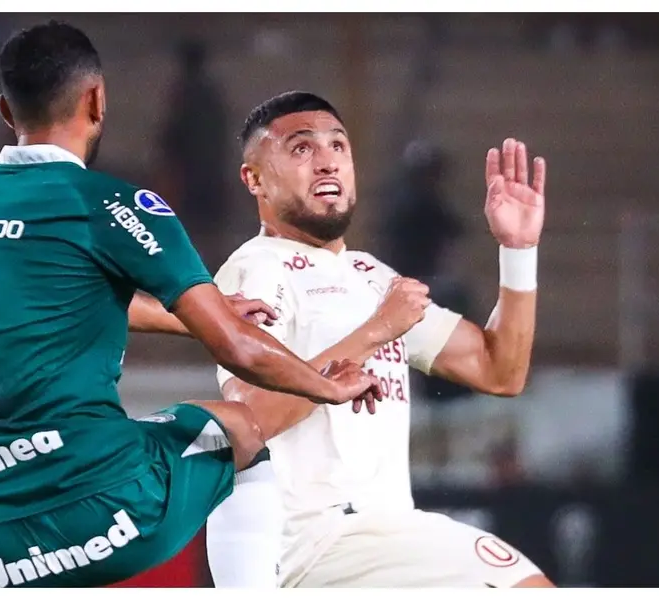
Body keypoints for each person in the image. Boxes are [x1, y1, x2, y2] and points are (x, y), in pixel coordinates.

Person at [0, 22, 381, 589]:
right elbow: (234, 349)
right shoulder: (113, 203)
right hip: (89, 499)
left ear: (6, 112)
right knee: (239, 426)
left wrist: (195, 313)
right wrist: (326, 385)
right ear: (96, 99)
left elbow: (66, 297)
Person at [207, 91, 554, 588]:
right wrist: (376, 331)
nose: (326, 161)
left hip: (381, 534)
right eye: (301, 149)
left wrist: (518, 252)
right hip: (319, 538)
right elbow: (249, 421)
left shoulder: (372, 276)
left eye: (338, 146)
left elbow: (500, 371)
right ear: (254, 178)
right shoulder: (257, 267)